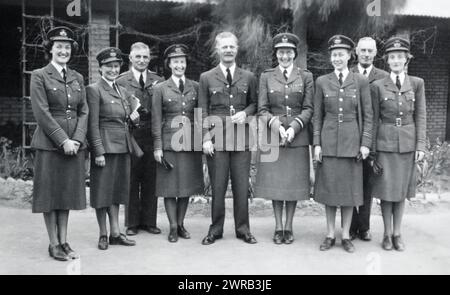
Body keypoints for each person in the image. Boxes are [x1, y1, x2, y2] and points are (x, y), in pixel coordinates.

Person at [30, 26, 88, 261]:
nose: (63, 51)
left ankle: (64, 241)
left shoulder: (77, 77)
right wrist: (62, 140)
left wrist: (76, 139)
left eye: (67, 47)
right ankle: (53, 243)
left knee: (66, 194)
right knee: (50, 195)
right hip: (49, 144)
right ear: (50, 50)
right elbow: (41, 112)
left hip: (74, 145)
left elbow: (84, 110)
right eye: (59, 47)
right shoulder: (39, 75)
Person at [313, 35, 373, 253]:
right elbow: (317, 117)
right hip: (328, 144)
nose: (337, 58)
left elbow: (368, 115)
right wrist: (317, 144)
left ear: (350, 56)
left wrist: (365, 143)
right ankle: (330, 234)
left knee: (349, 193)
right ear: (331, 58)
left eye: (342, 54)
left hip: (352, 145)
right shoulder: (321, 81)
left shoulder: (361, 81)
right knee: (329, 192)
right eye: (334, 54)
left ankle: (346, 235)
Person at [199, 32, 258, 245]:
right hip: (216, 140)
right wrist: (205, 138)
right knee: (218, 186)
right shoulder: (206, 77)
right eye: (224, 47)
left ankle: (243, 230)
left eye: (232, 46)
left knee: (242, 187)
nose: (228, 50)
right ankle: (215, 229)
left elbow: (255, 104)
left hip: (241, 140)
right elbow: (202, 109)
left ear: (237, 48)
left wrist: (247, 113)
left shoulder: (249, 77)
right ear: (218, 50)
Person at [255, 33, 314, 244]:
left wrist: (295, 127)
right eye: (281, 52)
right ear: (276, 54)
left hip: (297, 138)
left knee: (292, 185)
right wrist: (277, 126)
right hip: (274, 137)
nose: (285, 56)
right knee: (277, 185)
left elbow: (308, 108)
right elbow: (262, 109)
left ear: (295, 54)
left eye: (289, 52)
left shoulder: (306, 76)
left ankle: (289, 227)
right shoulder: (266, 76)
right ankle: (278, 226)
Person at [371, 37, 426, 251]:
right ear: (387, 60)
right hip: (385, 145)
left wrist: (420, 146)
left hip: (407, 145)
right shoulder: (377, 86)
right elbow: (374, 118)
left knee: (401, 191)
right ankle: (386, 233)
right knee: (387, 191)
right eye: (392, 57)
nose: (396, 60)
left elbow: (421, 116)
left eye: (400, 57)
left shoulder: (416, 83)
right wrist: (373, 151)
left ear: (406, 60)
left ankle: (397, 233)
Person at [87, 47, 140, 250]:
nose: (113, 69)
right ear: (100, 68)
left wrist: (134, 118)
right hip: (105, 148)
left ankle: (116, 233)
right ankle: (103, 234)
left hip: (122, 146)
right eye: (108, 66)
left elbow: (129, 116)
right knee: (102, 192)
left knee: (117, 192)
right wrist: (98, 151)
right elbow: (92, 124)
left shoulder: (122, 90)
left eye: (116, 66)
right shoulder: (94, 89)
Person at [151, 44, 204, 242]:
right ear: (169, 64)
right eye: (175, 62)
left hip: (190, 143)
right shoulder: (160, 89)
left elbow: (200, 115)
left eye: (182, 61)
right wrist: (158, 147)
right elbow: (156, 119)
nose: (179, 65)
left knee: (186, 186)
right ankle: (172, 226)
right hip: (168, 142)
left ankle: (181, 224)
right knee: (170, 186)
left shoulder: (196, 87)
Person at [116, 42, 164, 236]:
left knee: (151, 179)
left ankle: (149, 221)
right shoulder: (121, 81)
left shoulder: (159, 80)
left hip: (152, 134)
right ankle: (132, 222)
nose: (142, 60)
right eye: (138, 57)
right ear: (130, 58)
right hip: (131, 134)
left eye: (145, 57)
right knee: (132, 178)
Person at [349, 37, 389, 241]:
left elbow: (383, 112)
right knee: (349, 184)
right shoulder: (348, 75)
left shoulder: (383, 77)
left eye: (370, 51)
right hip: (349, 138)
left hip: (371, 139)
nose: (366, 54)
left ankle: (363, 227)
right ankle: (350, 226)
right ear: (356, 52)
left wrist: (373, 144)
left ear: (375, 53)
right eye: (362, 50)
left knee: (367, 184)